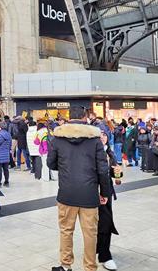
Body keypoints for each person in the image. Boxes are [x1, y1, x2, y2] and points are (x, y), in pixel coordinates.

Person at [47, 106, 110, 271]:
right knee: (90, 233)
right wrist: (104, 193)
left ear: (69, 117)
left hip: (66, 192)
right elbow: (103, 170)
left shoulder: (58, 138)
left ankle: (66, 265)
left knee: (66, 230)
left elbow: (50, 163)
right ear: (85, 117)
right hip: (89, 194)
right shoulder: (94, 139)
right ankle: (90, 267)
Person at [97, 131, 121, 271]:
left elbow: (113, 172)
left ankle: (103, 252)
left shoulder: (109, 152)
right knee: (101, 224)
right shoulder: (92, 153)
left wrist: (117, 173)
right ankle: (103, 254)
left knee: (105, 222)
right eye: (99, 135)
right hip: (95, 193)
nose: (102, 137)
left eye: (104, 135)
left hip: (107, 192)